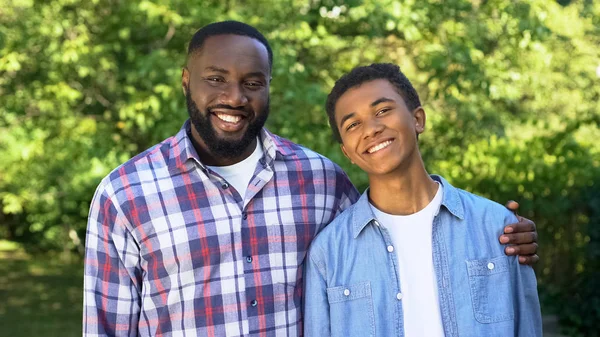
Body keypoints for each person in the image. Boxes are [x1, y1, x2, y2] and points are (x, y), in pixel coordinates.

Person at [84, 21, 539, 337]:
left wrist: (507, 233)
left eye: (252, 82)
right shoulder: (125, 195)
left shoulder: (320, 180)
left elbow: (395, 233)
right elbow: (105, 325)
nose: (234, 97)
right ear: (187, 82)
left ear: (268, 89)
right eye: (216, 79)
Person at [303, 63, 542, 337]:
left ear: (418, 119)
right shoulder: (329, 251)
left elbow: (528, 328)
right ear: (347, 152)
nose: (370, 129)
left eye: (382, 111)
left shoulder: (499, 227)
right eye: (353, 124)